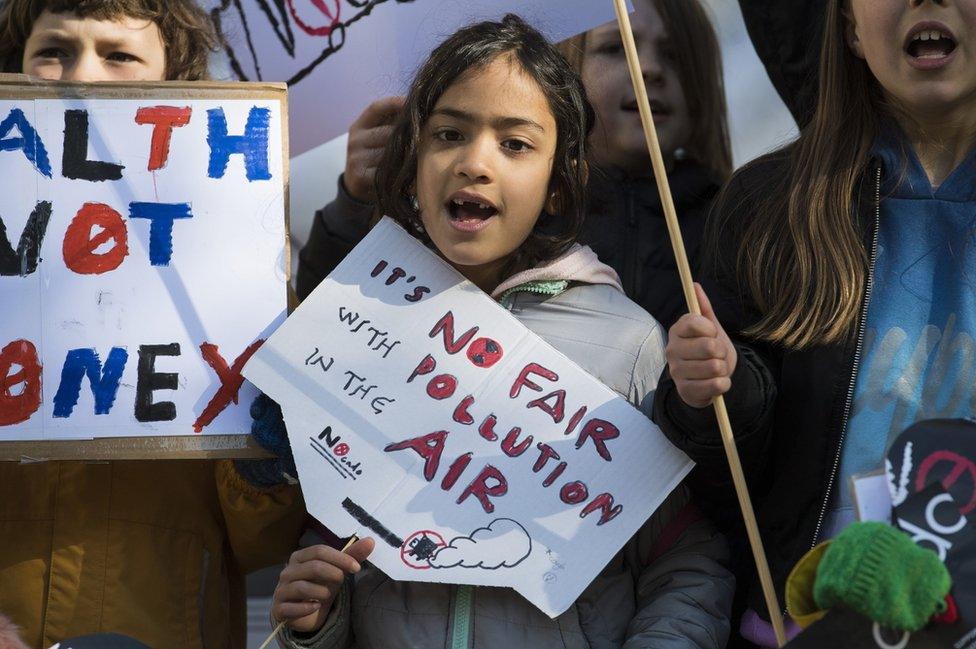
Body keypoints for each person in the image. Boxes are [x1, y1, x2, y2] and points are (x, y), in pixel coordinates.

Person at [270, 14, 734, 649]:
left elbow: (687, 561)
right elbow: (334, 532)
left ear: (558, 183)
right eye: (449, 134)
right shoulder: (360, 326)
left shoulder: (630, 344)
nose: (475, 163)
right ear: (410, 165)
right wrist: (314, 623)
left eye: (515, 144)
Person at [654, 0, 976, 645]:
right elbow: (724, 480)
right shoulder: (772, 204)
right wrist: (715, 387)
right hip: (802, 623)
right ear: (850, 28)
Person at [0, 2, 306, 647]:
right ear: (14, 70)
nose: (83, 76)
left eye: (119, 55)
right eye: (53, 50)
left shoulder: (239, 262)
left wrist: (267, 461)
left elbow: (265, 543)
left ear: (175, 83)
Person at [295, 0, 731, 331]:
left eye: (674, 54)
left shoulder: (734, 223)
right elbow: (326, 321)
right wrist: (355, 203)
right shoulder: (486, 227)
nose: (649, 69)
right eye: (616, 49)